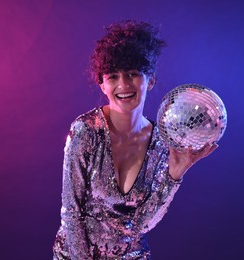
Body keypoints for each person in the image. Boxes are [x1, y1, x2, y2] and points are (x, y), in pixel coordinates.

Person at [53, 20, 218, 259]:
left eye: (133, 74)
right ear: (102, 85)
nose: (123, 84)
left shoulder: (162, 141)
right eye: (113, 76)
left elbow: (142, 224)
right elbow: (71, 213)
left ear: (149, 80)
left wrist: (174, 176)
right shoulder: (85, 131)